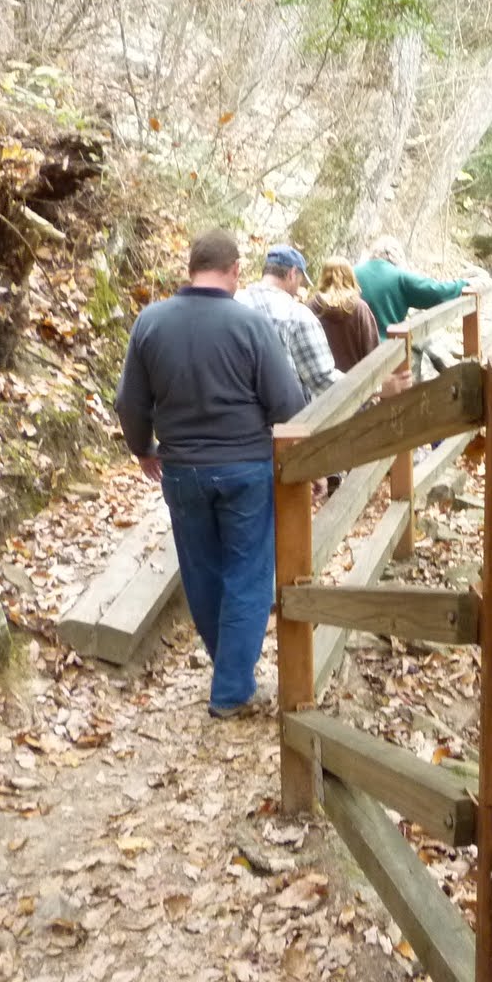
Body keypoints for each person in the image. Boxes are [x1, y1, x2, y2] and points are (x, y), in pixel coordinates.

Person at [114, 229, 306, 719]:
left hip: (181, 470)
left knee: (202, 574)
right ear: (236, 269)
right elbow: (287, 403)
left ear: (191, 268)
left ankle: (230, 672)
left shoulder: (151, 322)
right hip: (245, 468)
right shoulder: (249, 324)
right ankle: (231, 689)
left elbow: (130, 401)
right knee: (248, 576)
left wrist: (142, 448)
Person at [236, 245, 342, 399]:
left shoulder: (233, 302)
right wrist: (370, 387)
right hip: (287, 417)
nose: (299, 288)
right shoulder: (297, 314)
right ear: (292, 274)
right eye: (300, 281)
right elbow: (322, 379)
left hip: (236, 412)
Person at [354, 236, 472, 340]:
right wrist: (464, 284)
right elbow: (437, 293)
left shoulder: (352, 272)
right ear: (397, 256)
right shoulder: (400, 277)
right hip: (385, 351)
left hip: (348, 355)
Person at [306, 256, 380, 374]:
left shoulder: (309, 308)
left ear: (323, 276)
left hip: (322, 386)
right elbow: (373, 351)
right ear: (350, 277)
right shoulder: (360, 308)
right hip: (356, 384)